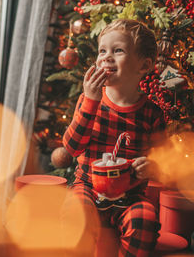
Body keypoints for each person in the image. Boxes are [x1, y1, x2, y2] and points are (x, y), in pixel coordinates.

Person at [63, 19, 166, 256]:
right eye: (102, 51)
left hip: (130, 195)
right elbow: (72, 147)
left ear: (144, 65)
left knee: (144, 221)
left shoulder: (152, 113)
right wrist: (90, 101)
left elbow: (163, 160)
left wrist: (153, 166)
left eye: (117, 50)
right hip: (87, 186)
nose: (106, 57)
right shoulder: (89, 100)